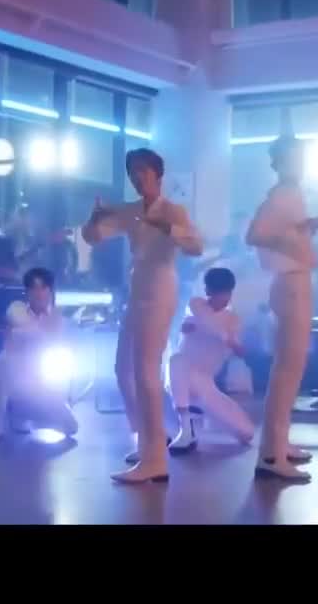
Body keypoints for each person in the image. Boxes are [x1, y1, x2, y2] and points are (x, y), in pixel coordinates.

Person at [83, 148, 203, 484]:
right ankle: (150, 440)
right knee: (123, 369)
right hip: (137, 291)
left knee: (146, 372)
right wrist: (94, 218)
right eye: (133, 172)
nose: (137, 177)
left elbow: (196, 246)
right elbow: (93, 237)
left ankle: (155, 460)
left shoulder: (173, 210)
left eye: (143, 171)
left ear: (157, 175)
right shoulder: (131, 210)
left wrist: (168, 227)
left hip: (160, 288)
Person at [245, 136, 318, 482]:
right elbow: (255, 234)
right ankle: (271, 454)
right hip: (291, 284)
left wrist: (300, 233)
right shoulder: (282, 194)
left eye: (301, 157)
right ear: (278, 162)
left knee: (291, 368)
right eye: (293, 158)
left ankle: (279, 443)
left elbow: (278, 235)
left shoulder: (292, 194)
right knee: (287, 369)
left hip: (295, 281)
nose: (300, 164)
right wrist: (291, 237)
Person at [0, 268, 79, 443]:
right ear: (27, 292)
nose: (38, 293)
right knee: (1, 366)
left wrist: (34, 333)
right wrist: (36, 332)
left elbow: (52, 340)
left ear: (51, 290)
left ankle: (28, 415)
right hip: (16, 373)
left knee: (71, 428)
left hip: (46, 378)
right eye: (34, 288)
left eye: (43, 288)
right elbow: (24, 330)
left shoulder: (58, 315)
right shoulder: (16, 309)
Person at [167, 267, 255, 454]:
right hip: (180, 378)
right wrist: (220, 335)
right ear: (208, 291)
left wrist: (233, 343)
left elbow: (240, 350)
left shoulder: (232, 320)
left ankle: (195, 411)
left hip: (205, 383)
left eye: (227, 293)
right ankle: (186, 429)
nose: (224, 298)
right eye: (219, 293)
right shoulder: (196, 305)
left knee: (246, 433)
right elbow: (201, 319)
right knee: (176, 361)